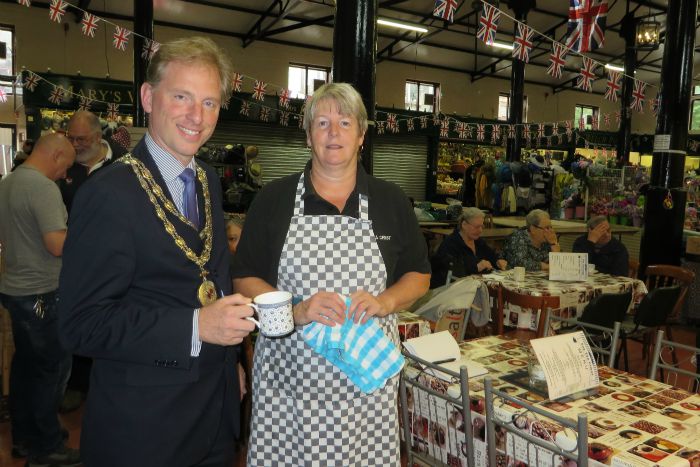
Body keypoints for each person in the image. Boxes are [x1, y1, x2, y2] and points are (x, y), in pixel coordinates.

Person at [57, 36, 255, 467]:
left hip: (215, 416)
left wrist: (232, 362)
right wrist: (196, 327)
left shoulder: (206, 179)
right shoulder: (108, 193)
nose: (195, 116)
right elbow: (79, 324)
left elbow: (213, 279)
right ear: (148, 97)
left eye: (209, 102)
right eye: (181, 97)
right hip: (144, 429)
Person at [232, 82, 431, 466]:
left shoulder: (391, 201)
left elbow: (418, 275)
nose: (333, 133)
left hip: (366, 383)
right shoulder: (273, 200)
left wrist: (384, 301)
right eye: (322, 123)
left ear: (362, 134)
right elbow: (244, 277)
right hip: (290, 382)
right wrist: (297, 309)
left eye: (344, 122)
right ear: (308, 136)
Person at [0, 133, 79, 466]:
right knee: (52, 370)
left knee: (26, 370)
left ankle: (25, 437)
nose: (65, 175)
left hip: (17, 289)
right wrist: (86, 229)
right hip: (43, 292)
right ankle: (47, 447)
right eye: (66, 167)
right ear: (57, 155)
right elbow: (57, 244)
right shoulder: (43, 188)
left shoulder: (9, 182)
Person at [59, 110, 128, 213]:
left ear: (98, 137)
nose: (74, 144)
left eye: (81, 139)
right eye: (70, 138)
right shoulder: (62, 161)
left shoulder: (123, 163)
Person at [430, 207, 507, 288]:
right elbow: (451, 272)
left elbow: (491, 255)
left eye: (482, 226)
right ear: (464, 225)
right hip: (451, 292)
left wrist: (497, 261)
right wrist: (476, 267)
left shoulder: (478, 242)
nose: (480, 230)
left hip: (474, 288)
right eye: (477, 227)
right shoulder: (450, 244)